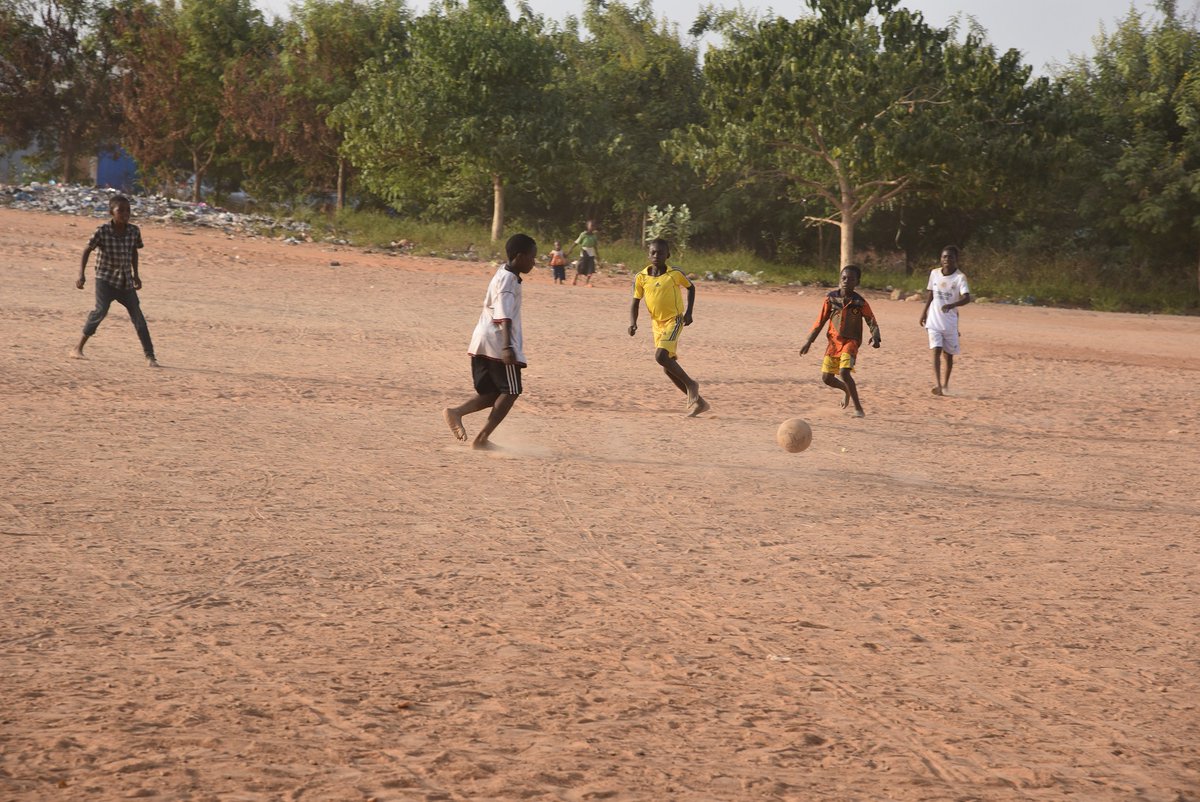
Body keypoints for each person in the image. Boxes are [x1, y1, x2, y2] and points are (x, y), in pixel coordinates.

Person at [443, 233, 537, 450]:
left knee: (493, 393)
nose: (534, 262)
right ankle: (481, 439)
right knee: (512, 391)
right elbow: (504, 314)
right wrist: (507, 347)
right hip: (497, 340)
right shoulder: (508, 281)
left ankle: (456, 413)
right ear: (520, 256)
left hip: (482, 338)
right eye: (532, 257)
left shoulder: (503, 274)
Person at [72, 195, 158, 366]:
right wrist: (81, 275)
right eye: (121, 210)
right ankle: (78, 348)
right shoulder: (102, 230)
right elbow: (87, 250)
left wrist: (136, 275)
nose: (125, 214)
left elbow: (134, 251)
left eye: (128, 210)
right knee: (100, 311)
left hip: (125, 281)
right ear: (112, 212)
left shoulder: (134, 231)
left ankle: (150, 357)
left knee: (138, 318)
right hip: (105, 279)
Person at [628, 238, 709, 416]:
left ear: (668, 255)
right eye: (653, 252)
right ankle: (700, 403)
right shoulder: (641, 277)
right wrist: (633, 322)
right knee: (667, 366)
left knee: (660, 356)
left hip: (675, 320)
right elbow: (635, 302)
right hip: (657, 324)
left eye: (661, 253)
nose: (656, 255)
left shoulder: (674, 274)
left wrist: (689, 313)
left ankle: (691, 384)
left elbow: (691, 288)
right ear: (648, 255)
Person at [799, 264, 881, 418]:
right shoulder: (831, 298)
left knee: (844, 371)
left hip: (851, 342)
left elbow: (871, 320)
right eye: (843, 278)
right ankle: (846, 389)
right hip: (833, 343)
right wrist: (809, 341)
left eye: (850, 279)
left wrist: (875, 336)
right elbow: (820, 321)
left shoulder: (860, 302)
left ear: (857, 282)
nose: (846, 281)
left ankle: (858, 409)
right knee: (826, 378)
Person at [919, 245, 971, 396]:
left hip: (949, 322)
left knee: (948, 355)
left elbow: (967, 298)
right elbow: (931, 294)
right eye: (944, 257)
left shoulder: (960, 278)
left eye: (950, 257)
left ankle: (946, 384)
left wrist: (953, 305)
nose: (947, 260)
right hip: (934, 320)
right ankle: (938, 385)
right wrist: (924, 312)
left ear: (956, 260)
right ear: (941, 259)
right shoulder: (934, 273)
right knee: (936, 350)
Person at [567, 219, 599, 286]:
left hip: (591, 253)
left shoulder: (594, 236)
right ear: (587, 226)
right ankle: (575, 280)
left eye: (593, 226)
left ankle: (587, 282)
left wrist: (597, 255)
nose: (592, 227)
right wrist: (570, 249)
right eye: (591, 226)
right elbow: (576, 242)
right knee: (581, 266)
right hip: (584, 251)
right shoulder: (583, 234)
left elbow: (595, 246)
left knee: (590, 267)